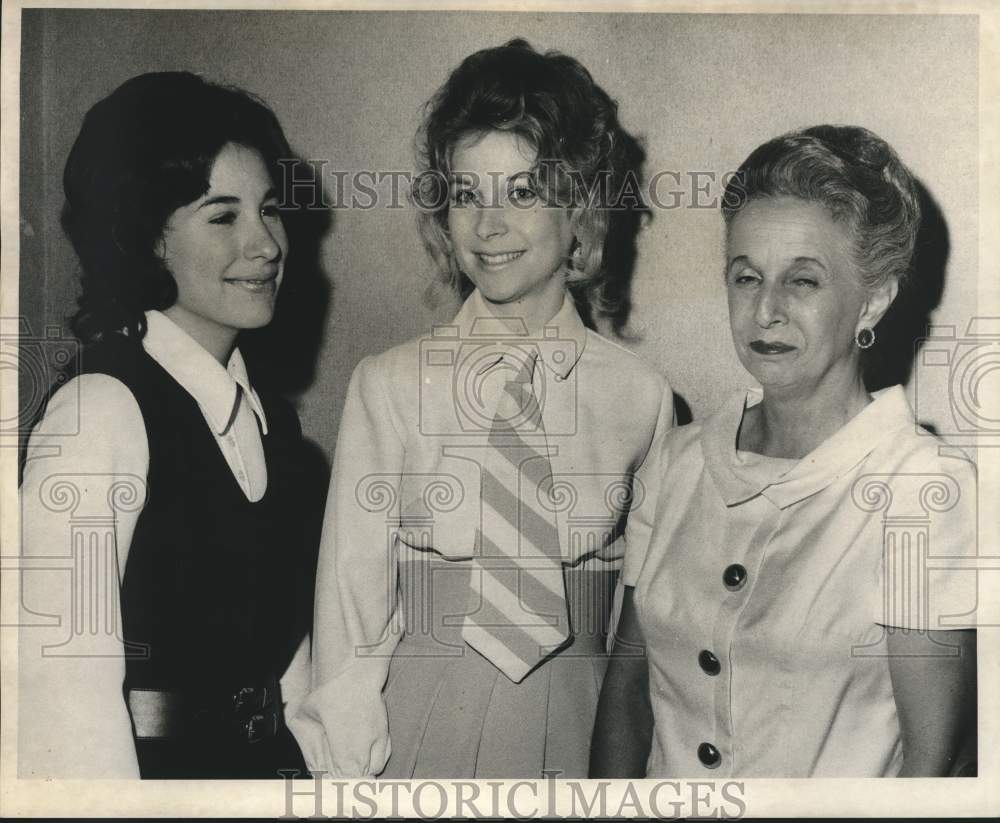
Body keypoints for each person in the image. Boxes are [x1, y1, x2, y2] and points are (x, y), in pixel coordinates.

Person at [290, 39, 673, 779]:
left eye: (523, 192)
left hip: (584, 720)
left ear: (581, 211)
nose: (488, 225)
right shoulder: (392, 384)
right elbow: (349, 605)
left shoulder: (641, 396)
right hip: (419, 717)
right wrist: (344, 772)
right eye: (467, 195)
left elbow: (648, 620)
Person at [591, 125, 978, 778]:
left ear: (874, 298)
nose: (765, 310)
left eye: (803, 281)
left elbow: (934, 767)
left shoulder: (922, 491)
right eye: (746, 277)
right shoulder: (676, 463)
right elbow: (626, 700)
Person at [19, 72, 313, 779]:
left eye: (269, 210)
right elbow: (63, 689)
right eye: (223, 216)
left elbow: (288, 660)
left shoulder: (276, 423)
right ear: (148, 237)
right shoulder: (100, 411)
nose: (267, 243)